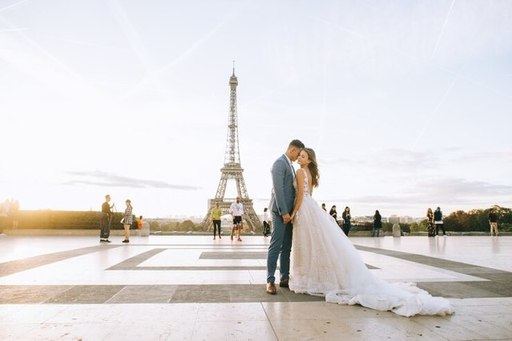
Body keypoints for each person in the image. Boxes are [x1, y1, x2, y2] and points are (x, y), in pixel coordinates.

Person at [288, 147, 454, 317]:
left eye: (302, 156)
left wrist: (293, 213)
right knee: (313, 244)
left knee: (306, 245)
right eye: (299, 156)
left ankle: (306, 279)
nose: (299, 159)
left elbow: (300, 194)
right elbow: (309, 194)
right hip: (311, 208)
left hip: (304, 209)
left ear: (308, 160)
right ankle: (312, 279)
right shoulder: (310, 173)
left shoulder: (301, 172)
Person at [266, 139, 304, 295]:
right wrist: (284, 212)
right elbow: (278, 190)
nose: (298, 157)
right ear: (293, 150)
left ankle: (284, 277)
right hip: (280, 212)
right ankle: (269, 280)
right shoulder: (279, 163)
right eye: (298, 153)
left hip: (289, 213)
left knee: (286, 247)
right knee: (276, 245)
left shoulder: (290, 165)